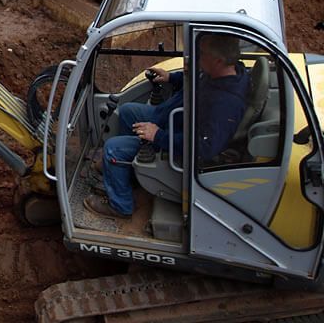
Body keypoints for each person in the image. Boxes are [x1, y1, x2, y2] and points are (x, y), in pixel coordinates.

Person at [84, 34, 250, 219]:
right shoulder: (222, 72)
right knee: (128, 111)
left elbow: (205, 147)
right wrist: (172, 78)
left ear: (219, 60)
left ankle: (121, 205)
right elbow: (197, 78)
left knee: (112, 149)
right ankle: (129, 173)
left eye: (201, 53)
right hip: (168, 119)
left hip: (174, 138)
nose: (196, 56)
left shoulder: (226, 103)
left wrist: (157, 136)